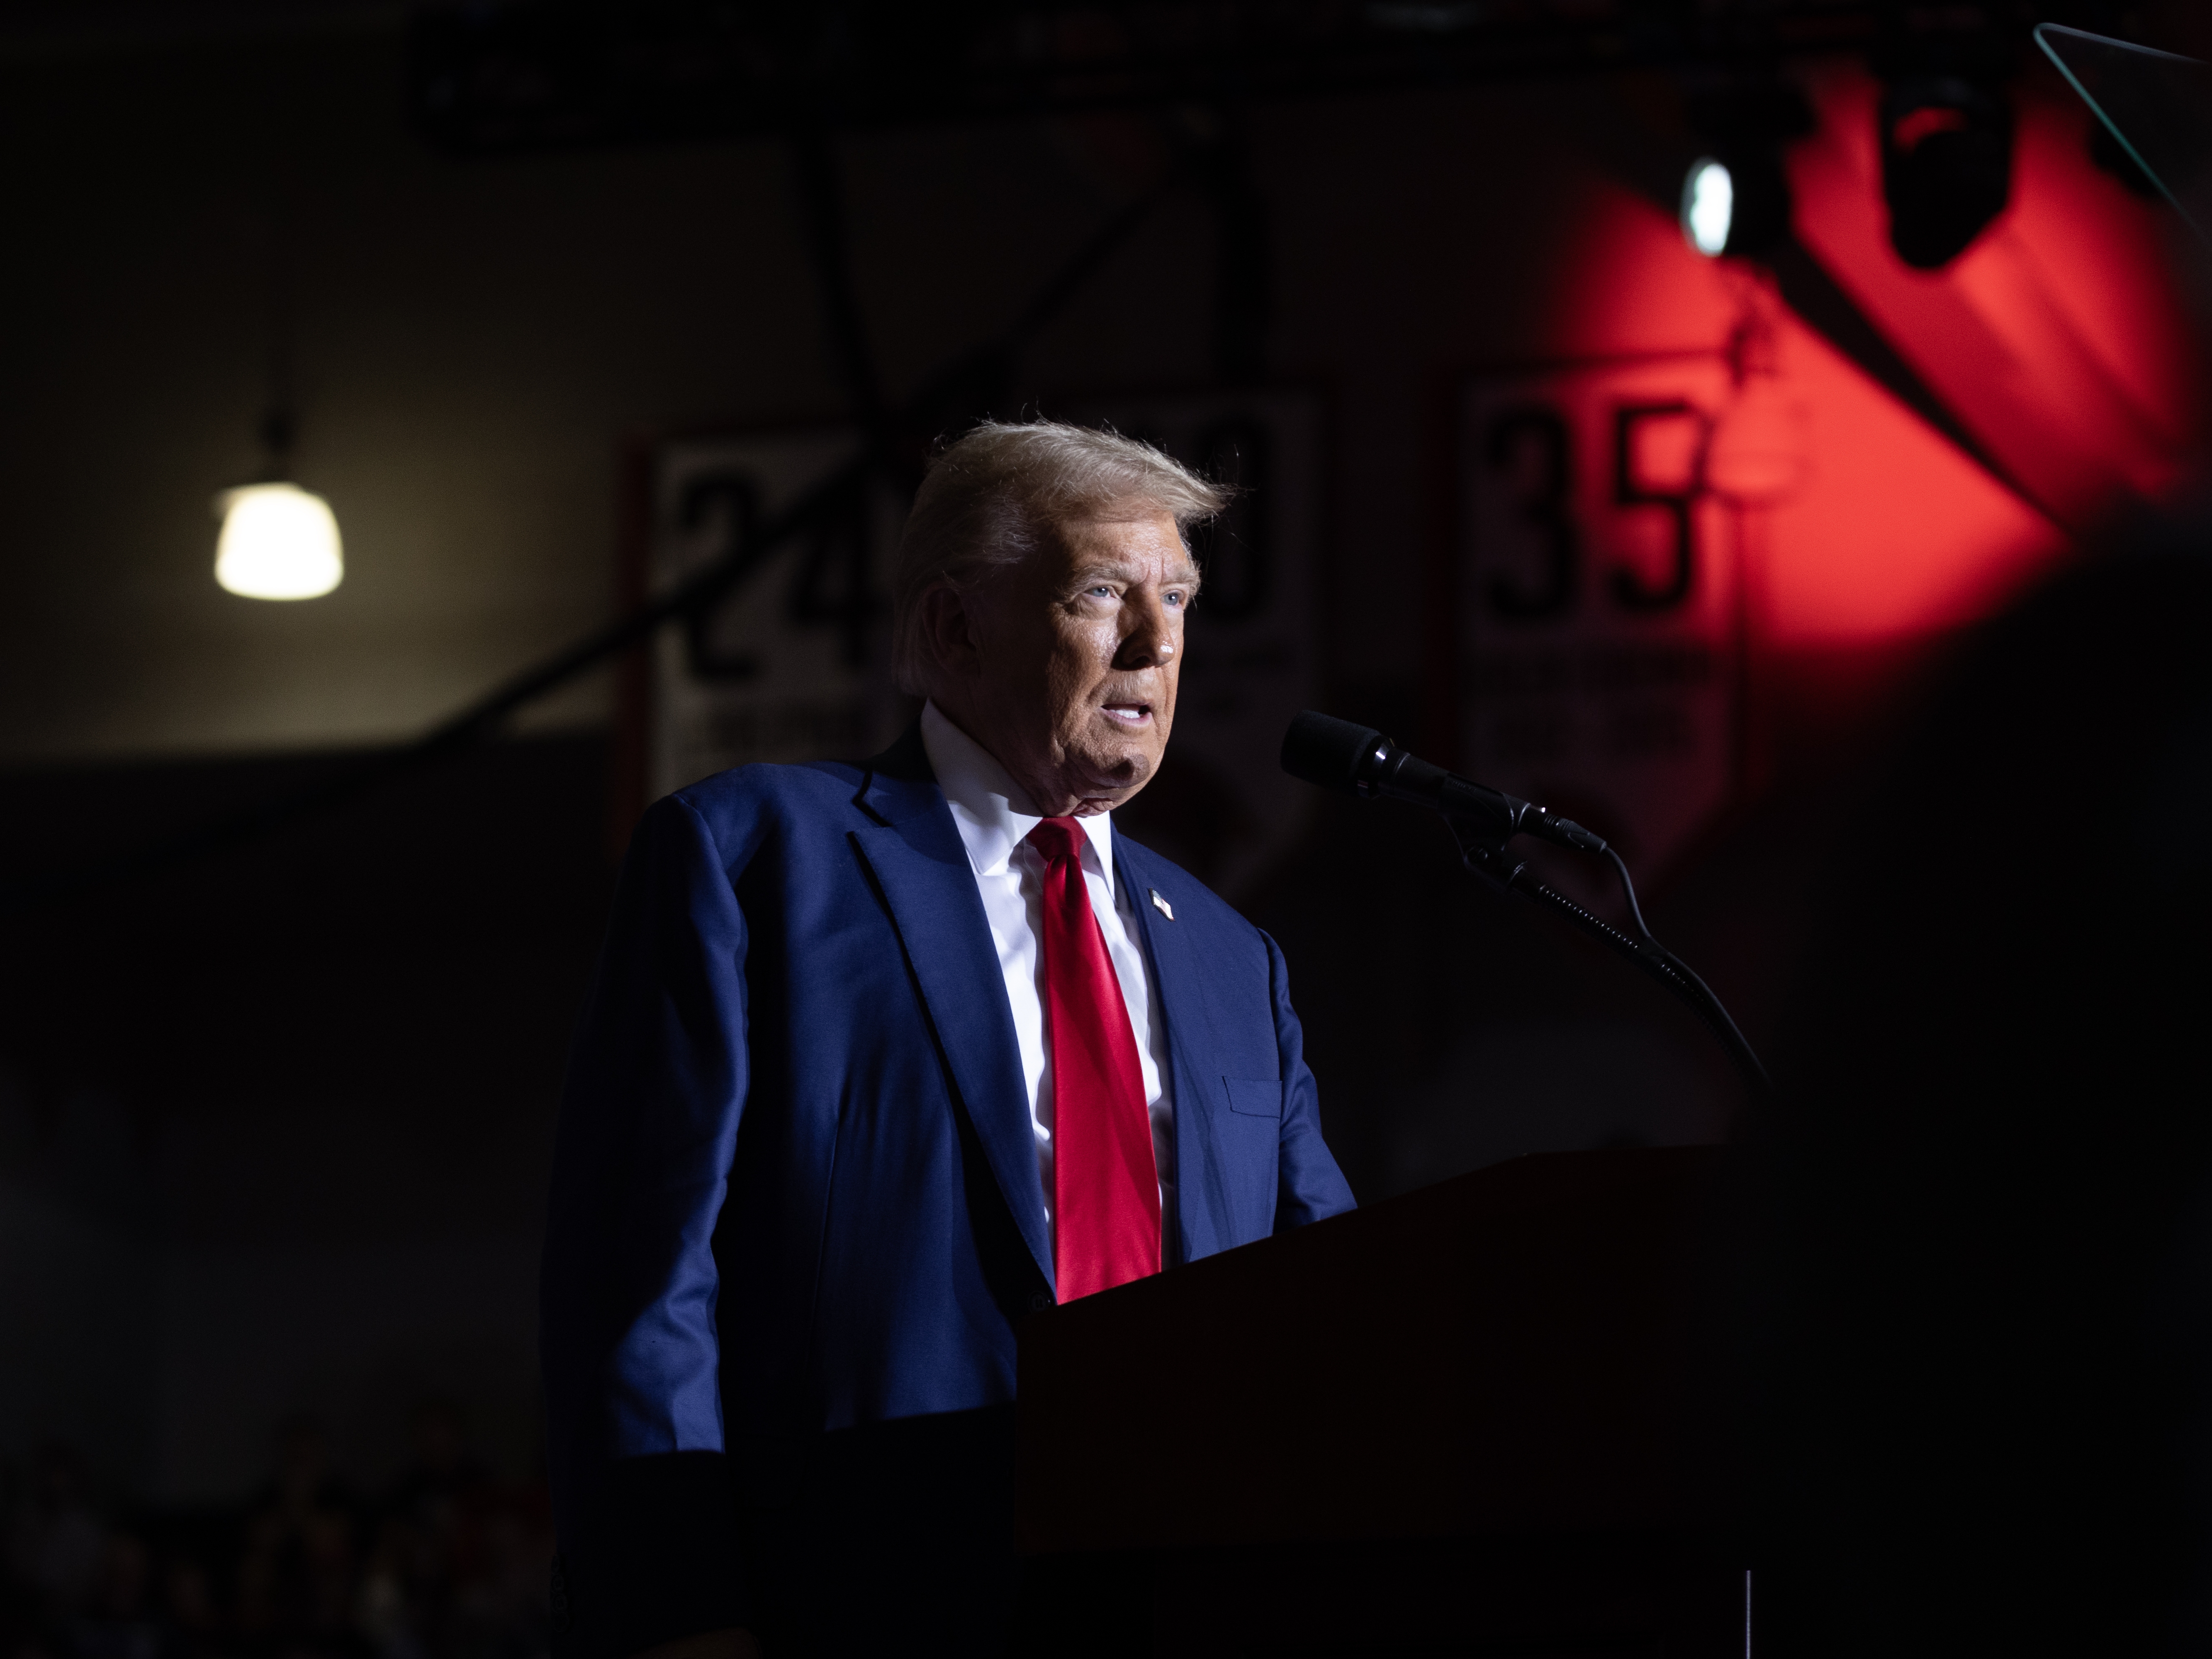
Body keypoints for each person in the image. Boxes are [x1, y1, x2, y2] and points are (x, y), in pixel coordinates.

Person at [540, 421, 1356, 1658]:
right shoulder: (758, 860)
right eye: (1102, 592)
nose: (1158, 642)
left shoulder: (1233, 960)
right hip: (862, 1604)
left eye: (1178, 596)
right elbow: (641, 1277)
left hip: (1191, 1608)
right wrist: (678, 1612)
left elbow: (1331, 1302)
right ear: (951, 629)